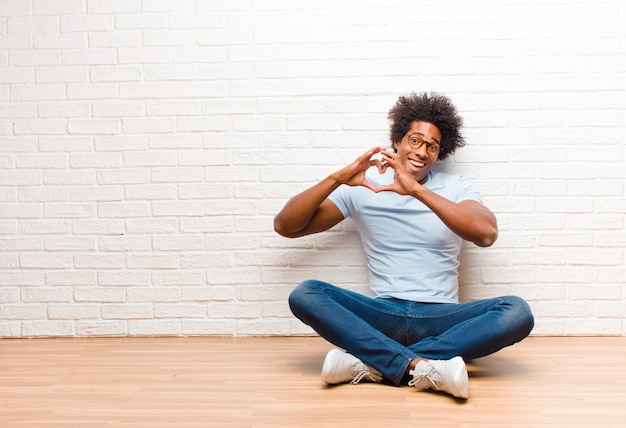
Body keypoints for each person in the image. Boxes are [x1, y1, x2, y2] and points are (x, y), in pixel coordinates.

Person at [273, 92, 534, 399]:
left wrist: (416, 191)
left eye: (432, 146)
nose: (422, 151)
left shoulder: (454, 187)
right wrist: (338, 178)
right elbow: (286, 226)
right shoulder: (364, 187)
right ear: (397, 140)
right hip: (383, 315)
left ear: (440, 153)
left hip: (441, 319)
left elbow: (486, 234)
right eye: (415, 140)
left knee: (517, 312)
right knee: (305, 294)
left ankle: (373, 361)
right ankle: (423, 367)